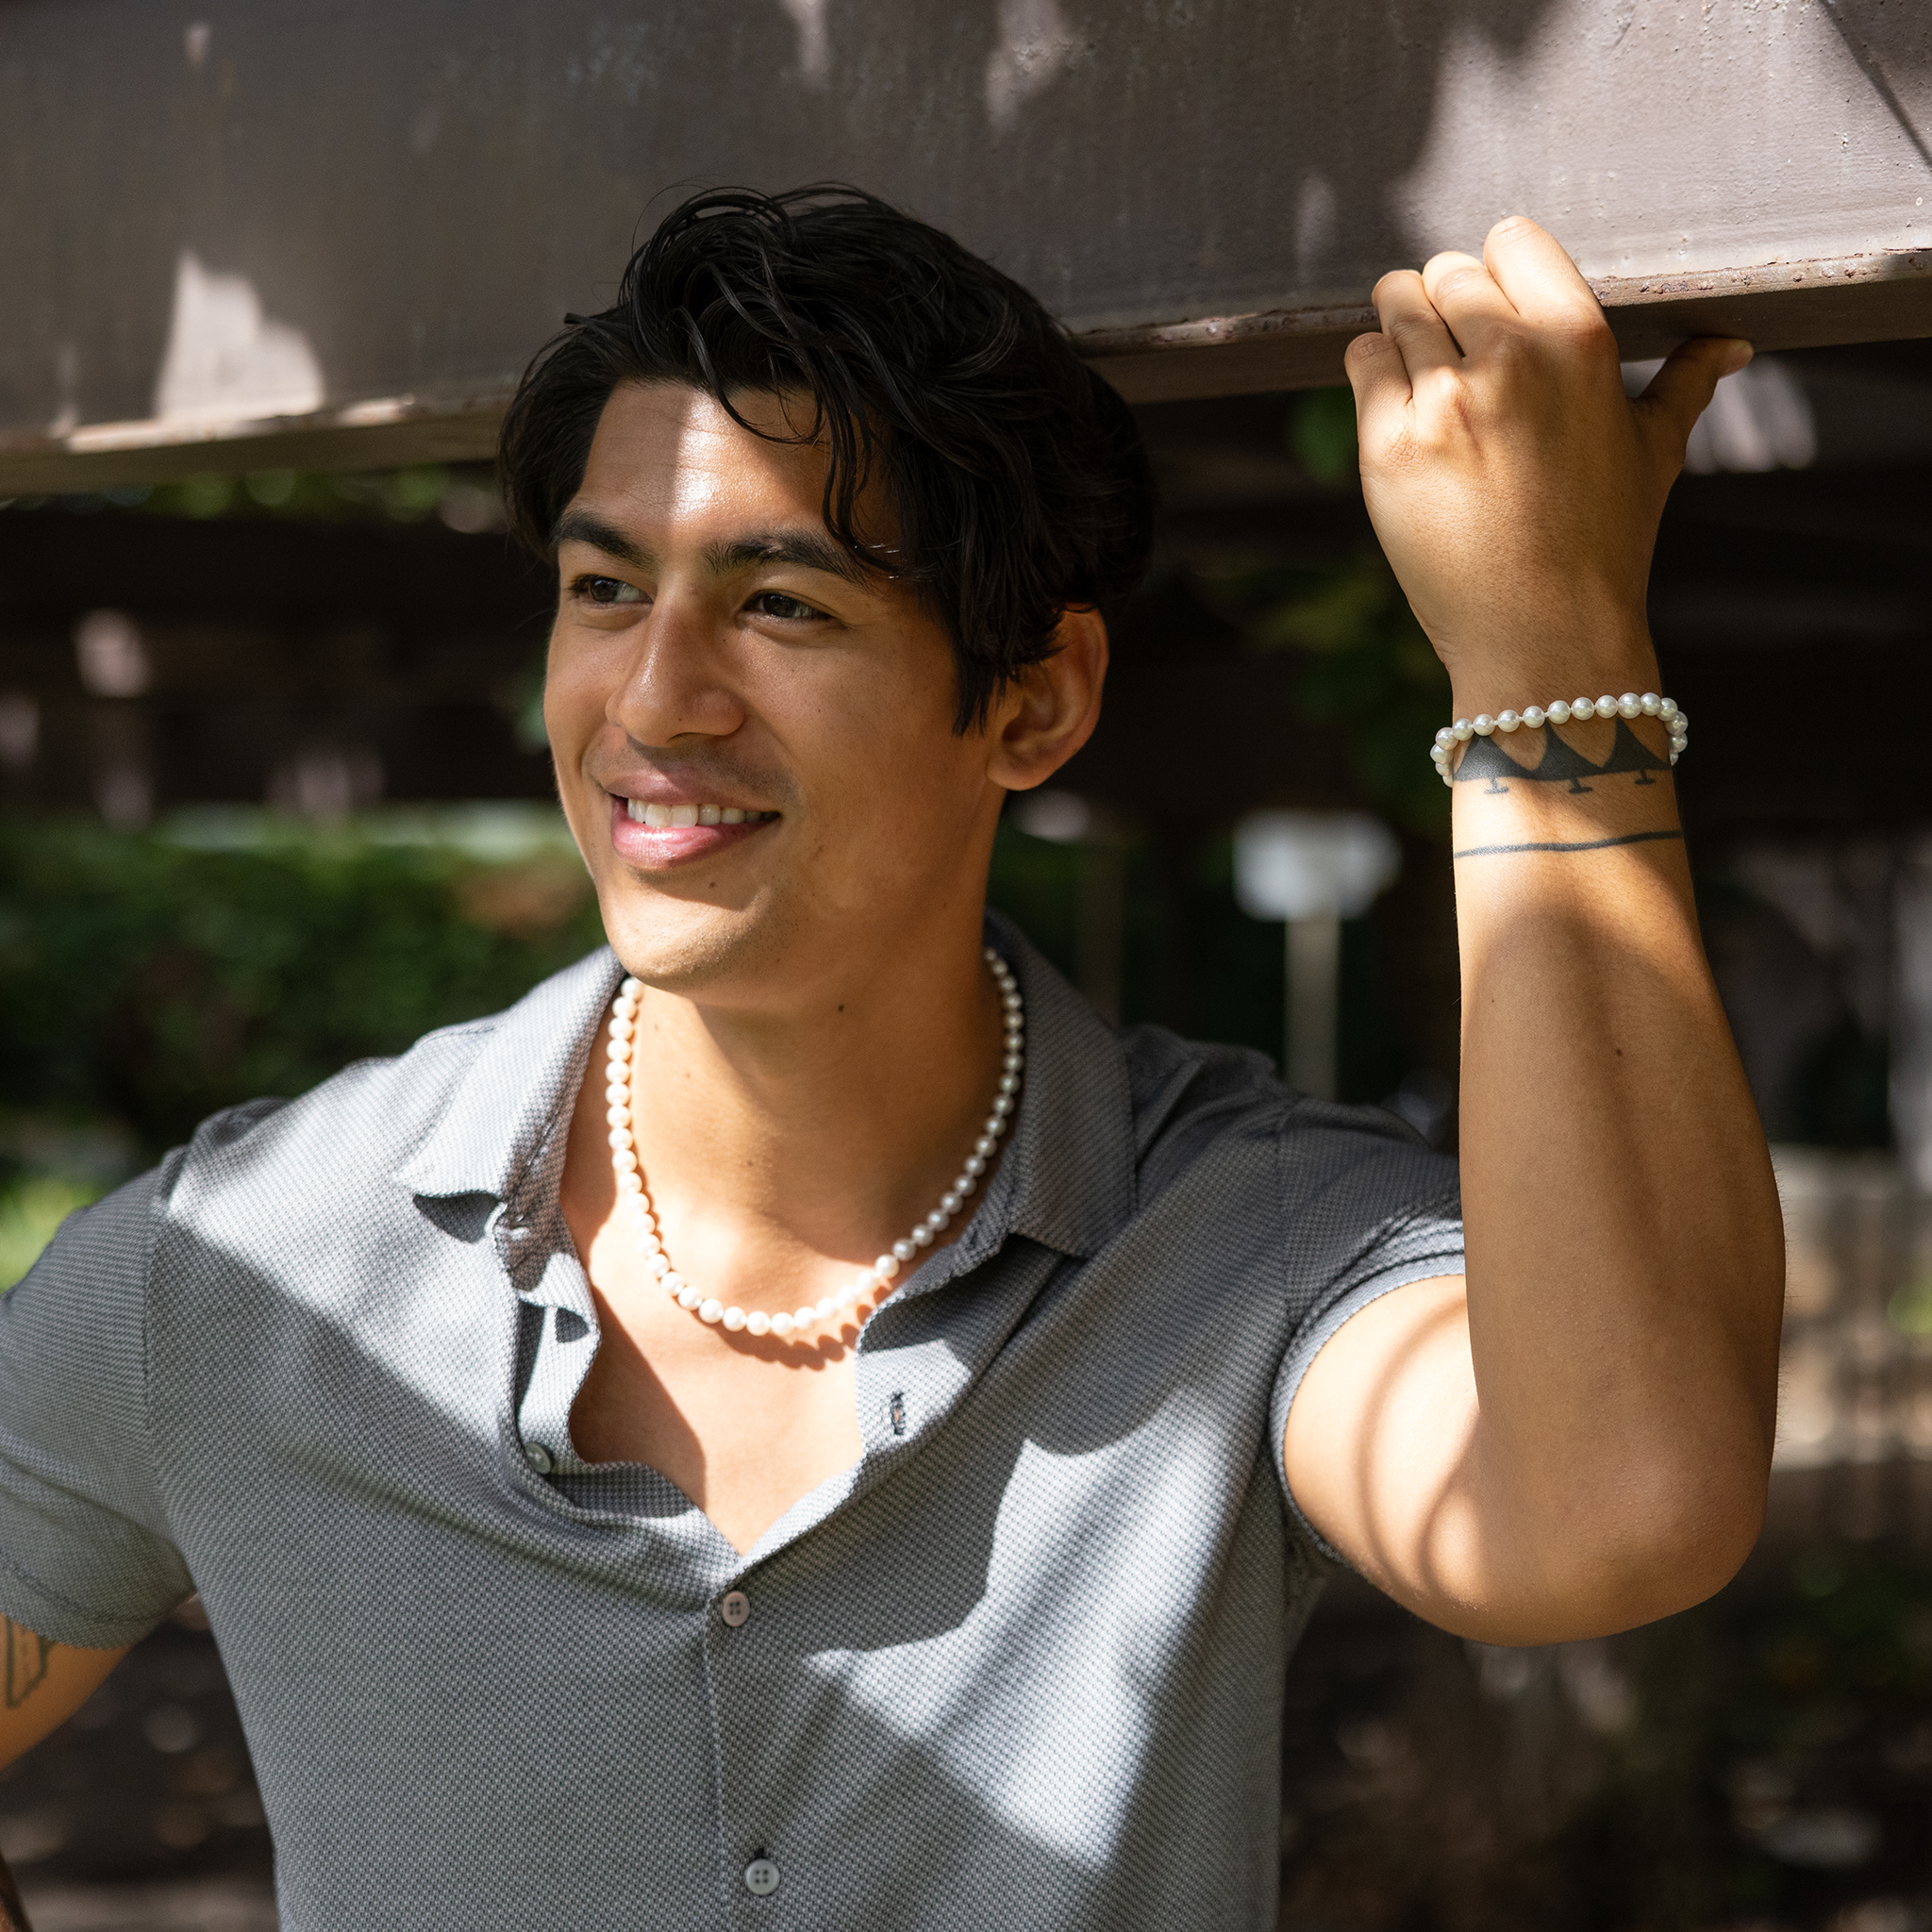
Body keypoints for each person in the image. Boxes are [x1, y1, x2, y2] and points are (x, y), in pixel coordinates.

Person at [0, 188, 1782, 1930]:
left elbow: (1619, 1507)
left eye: (783, 606)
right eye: (605, 586)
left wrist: (1548, 660)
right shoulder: (237, 1265)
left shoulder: (1251, 1242)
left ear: (1034, 703)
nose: (654, 699)